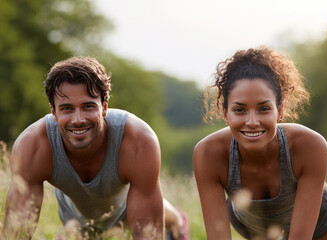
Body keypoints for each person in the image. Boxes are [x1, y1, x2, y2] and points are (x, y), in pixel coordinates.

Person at [2, 56, 189, 240]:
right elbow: (15, 234)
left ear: (104, 107)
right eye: (66, 108)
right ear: (53, 111)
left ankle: (177, 221)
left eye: (88, 106)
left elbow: (149, 235)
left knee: (161, 216)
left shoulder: (138, 140)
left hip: (128, 209)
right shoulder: (33, 146)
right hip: (77, 221)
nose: (78, 120)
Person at [193, 46, 327, 240]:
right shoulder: (208, 153)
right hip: (251, 224)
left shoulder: (310, 145)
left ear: (279, 110)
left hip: (318, 224)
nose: (252, 121)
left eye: (264, 108)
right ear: (225, 113)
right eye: (240, 110)